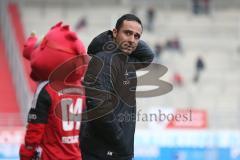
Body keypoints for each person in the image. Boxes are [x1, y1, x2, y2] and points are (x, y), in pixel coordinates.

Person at [80, 14, 154, 160]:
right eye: (127, 33)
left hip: (117, 152)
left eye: (137, 36)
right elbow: (98, 106)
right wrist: (120, 139)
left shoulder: (128, 61)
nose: (132, 39)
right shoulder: (102, 60)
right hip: (103, 152)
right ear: (114, 33)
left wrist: (127, 39)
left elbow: (148, 55)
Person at [19, 22, 88, 160]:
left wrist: (27, 151)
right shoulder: (81, 88)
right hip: (76, 155)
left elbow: (36, 127)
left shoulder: (47, 89)